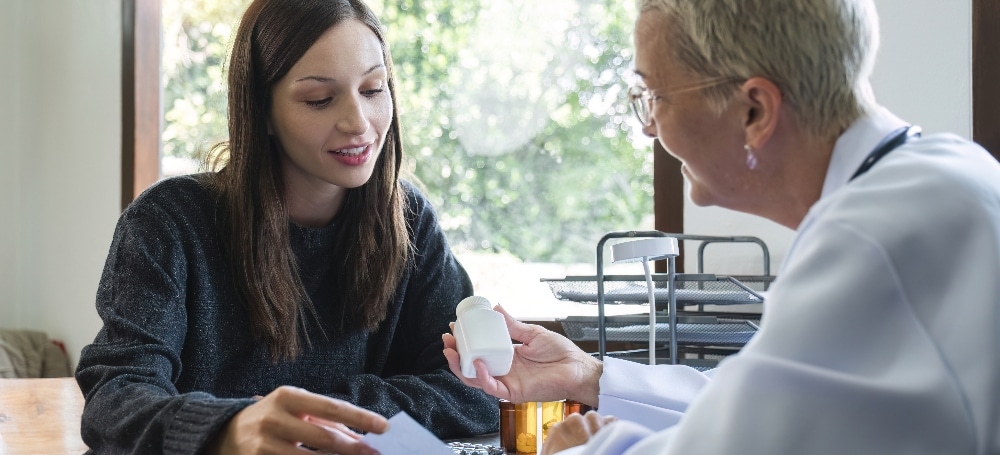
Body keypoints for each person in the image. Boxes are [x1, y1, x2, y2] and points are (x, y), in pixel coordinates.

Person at [443, 0, 1000, 453]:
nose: (648, 128)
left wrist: (586, 451)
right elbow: (769, 403)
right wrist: (588, 377)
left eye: (654, 96)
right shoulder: (935, 176)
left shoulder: (869, 241)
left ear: (754, 110)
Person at [75, 0, 498, 453]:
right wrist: (228, 429)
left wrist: (312, 415)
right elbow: (114, 399)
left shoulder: (410, 221)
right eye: (319, 99)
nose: (358, 122)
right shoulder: (170, 222)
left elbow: (477, 388)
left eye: (373, 89)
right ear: (262, 111)